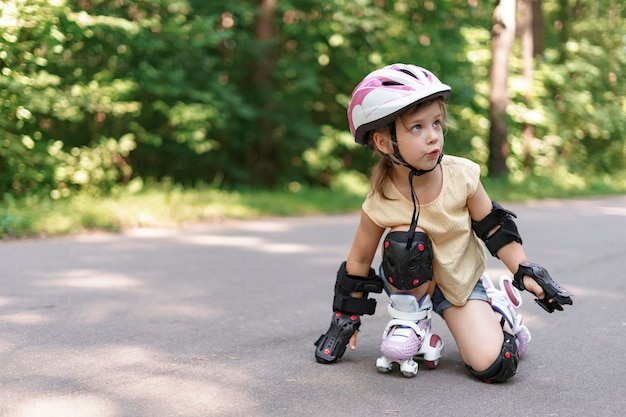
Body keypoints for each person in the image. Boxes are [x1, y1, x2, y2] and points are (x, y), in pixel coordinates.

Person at [314, 63, 573, 382]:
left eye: (436, 123)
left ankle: (499, 308)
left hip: (461, 284)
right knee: (404, 237)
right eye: (417, 128)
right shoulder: (381, 199)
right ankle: (411, 320)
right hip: (411, 287)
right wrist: (345, 319)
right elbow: (359, 259)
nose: (433, 135)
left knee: (495, 367)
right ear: (383, 142)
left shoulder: (461, 175)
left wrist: (525, 271)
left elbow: (494, 229)